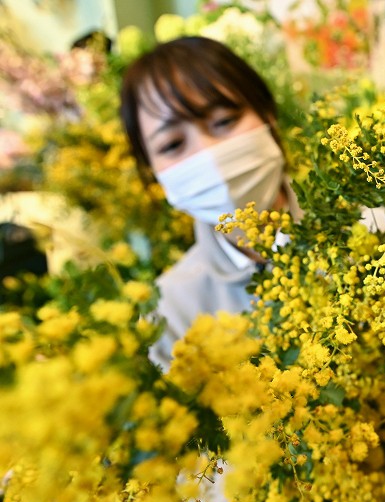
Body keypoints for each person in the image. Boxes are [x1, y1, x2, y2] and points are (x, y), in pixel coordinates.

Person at [120, 35, 301, 370]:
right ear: (153, 173)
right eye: (173, 144)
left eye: (223, 122)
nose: (208, 155)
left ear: (268, 115)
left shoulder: (373, 224)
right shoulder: (170, 312)